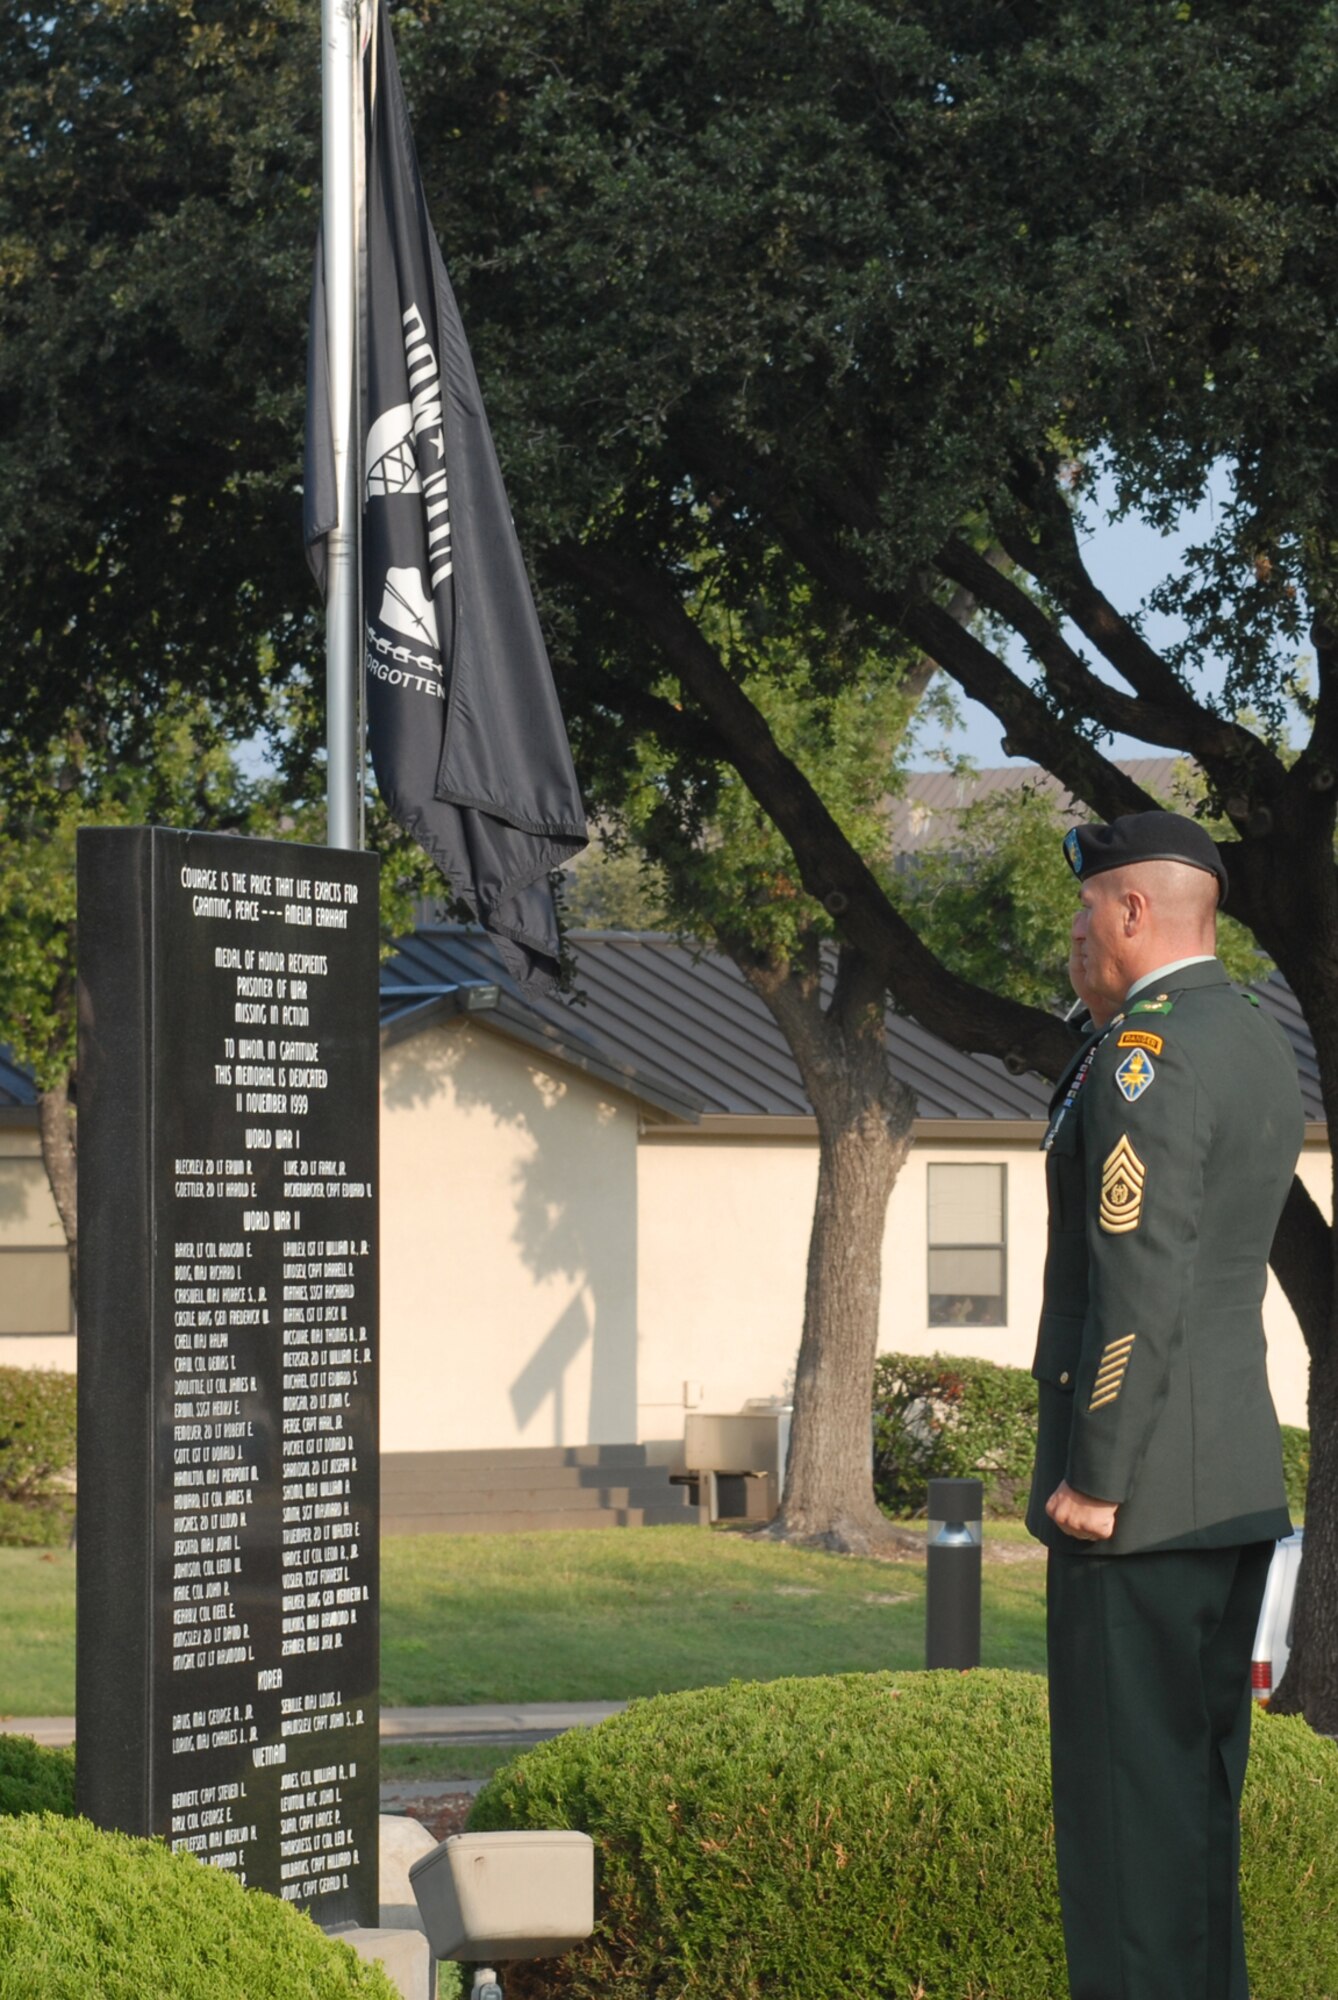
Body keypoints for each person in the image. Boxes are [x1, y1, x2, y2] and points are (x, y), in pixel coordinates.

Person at [1027, 809, 1304, 2000]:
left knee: (1127, 1837)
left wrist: (1096, 1470)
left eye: (1090, 905)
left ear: (1134, 910)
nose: (1078, 927)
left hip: (1136, 1502)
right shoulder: (1248, 1033)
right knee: (1194, 1822)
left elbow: (1140, 1273)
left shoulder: (1144, 1055)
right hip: (1228, 1486)